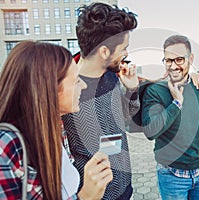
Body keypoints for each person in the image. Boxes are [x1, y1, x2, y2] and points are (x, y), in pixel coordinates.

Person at [0, 41, 113, 199]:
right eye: (75, 80)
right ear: (49, 87)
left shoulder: (56, 129)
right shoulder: (6, 148)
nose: (83, 85)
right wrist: (86, 196)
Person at [61, 2, 139, 199]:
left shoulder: (112, 77)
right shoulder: (64, 90)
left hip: (124, 189)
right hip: (94, 194)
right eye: (124, 48)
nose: (126, 54)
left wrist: (131, 90)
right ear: (104, 51)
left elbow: (126, 119)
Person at [142, 35, 199, 200]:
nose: (173, 66)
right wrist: (177, 103)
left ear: (191, 59)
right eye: (168, 60)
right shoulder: (155, 91)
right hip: (171, 176)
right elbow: (150, 131)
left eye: (179, 60)